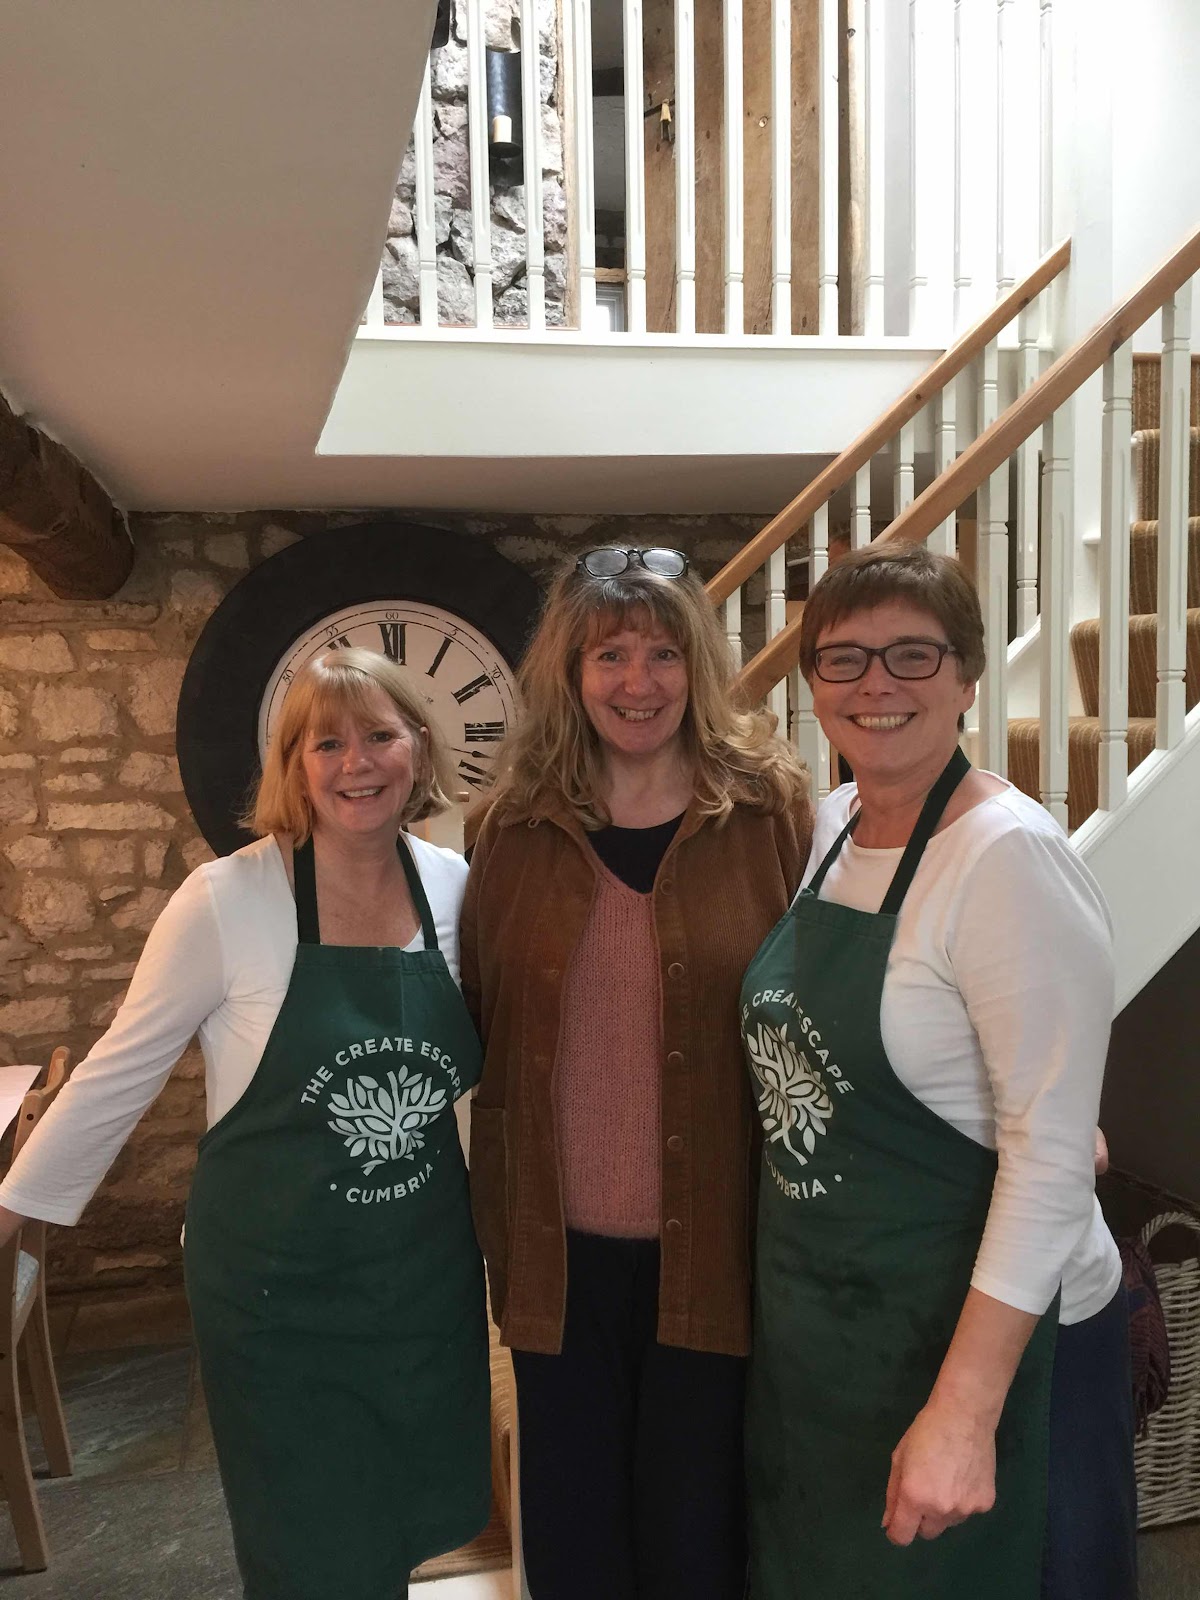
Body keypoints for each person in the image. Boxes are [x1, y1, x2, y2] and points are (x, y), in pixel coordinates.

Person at [0, 649, 491, 1600]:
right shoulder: (226, 900)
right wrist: (6, 1215)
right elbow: (115, 1076)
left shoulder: (455, 885)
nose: (358, 762)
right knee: (307, 1544)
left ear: (420, 750)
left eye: (380, 736)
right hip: (279, 1294)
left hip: (421, 1281)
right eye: (327, 743)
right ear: (293, 766)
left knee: (401, 1521)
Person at [740, 542, 1136, 1600]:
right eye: (845, 658)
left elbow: (1051, 1161)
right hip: (837, 1341)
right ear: (813, 684)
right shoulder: (829, 829)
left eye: (913, 654)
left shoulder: (1007, 859)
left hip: (992, 1354)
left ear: (967, 676)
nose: (877, 684)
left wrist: (964, 1413)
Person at [462, 546, 813, 1600]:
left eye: (663, 653)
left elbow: (832, 1007)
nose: (638, 681)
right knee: (574, 1546)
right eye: (609, 654)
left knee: (697, 1539)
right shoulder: (508, 828)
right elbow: (473, 1013)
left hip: (719, 1245)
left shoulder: (771, 814)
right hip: (554, 1259)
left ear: (699, 666)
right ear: (570, 673)